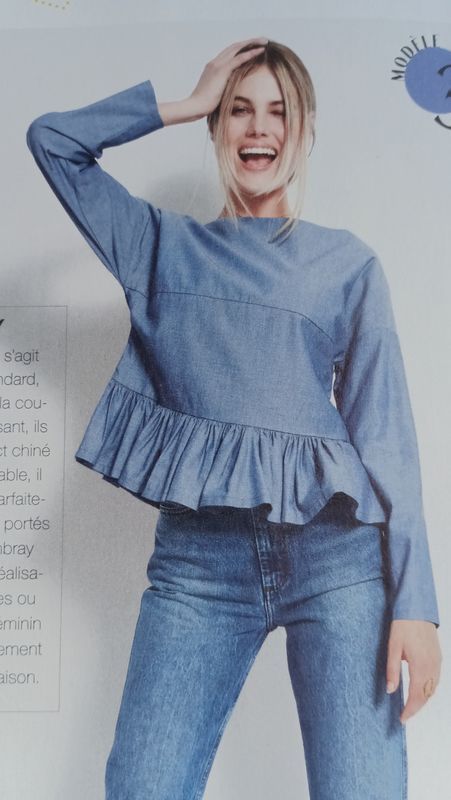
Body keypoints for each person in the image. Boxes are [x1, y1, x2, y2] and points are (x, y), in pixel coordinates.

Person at [26, 37, 442, 800]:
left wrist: (417, 606)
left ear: (303, 132)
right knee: (142, 788)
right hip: (198, 567)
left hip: (337, 560)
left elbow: (387, 439)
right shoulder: (158, 246)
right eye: (238, 110)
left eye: (279, 112)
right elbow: (51, 141)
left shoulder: (346, 264)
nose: (258, 128)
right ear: (216, 129)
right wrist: (182, 102)